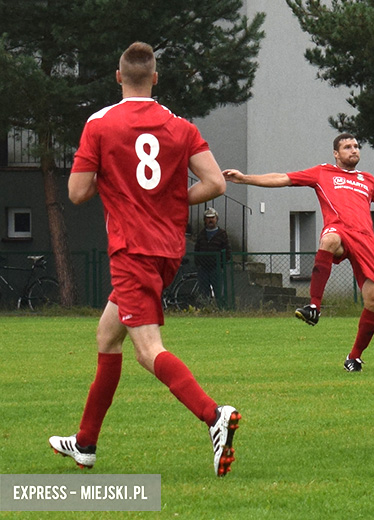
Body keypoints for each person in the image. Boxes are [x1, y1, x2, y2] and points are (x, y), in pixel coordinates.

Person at [51, 42, 240, 477]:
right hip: (168, 249)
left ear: (119, 77)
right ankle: (85, 443)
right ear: (155, 79)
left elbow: (78, 193)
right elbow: (214, 183)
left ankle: (214, 416)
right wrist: (171, 203)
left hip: (131, 248)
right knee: (107, 336)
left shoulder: (99, 124)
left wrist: (112, 178)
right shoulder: (180, 126)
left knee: (147, 349)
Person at [223, 133, 374, 372]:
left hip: (365, 239)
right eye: (347, 147)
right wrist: (245, 179)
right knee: (329, 239)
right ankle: (314, 306)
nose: (353, 150)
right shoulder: (322, 172)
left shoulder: (369, 181)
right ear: (336, 153)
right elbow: (282, 178)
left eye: (356, 146)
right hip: (340, 229)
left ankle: (354, 357)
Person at [194, 207, 232, 299]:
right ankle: (206, 310)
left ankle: (220, 310)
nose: (210, 220)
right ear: (204, 220)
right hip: (203, 268)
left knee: (219, 292)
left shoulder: (222, 234)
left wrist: (221, 264)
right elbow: (197, 250)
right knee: (204, 293)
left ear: (216, 219)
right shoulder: (201, 234)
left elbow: (228, 251)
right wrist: (198, 263)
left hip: (217, 268)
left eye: (212, 217)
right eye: (208, 218)